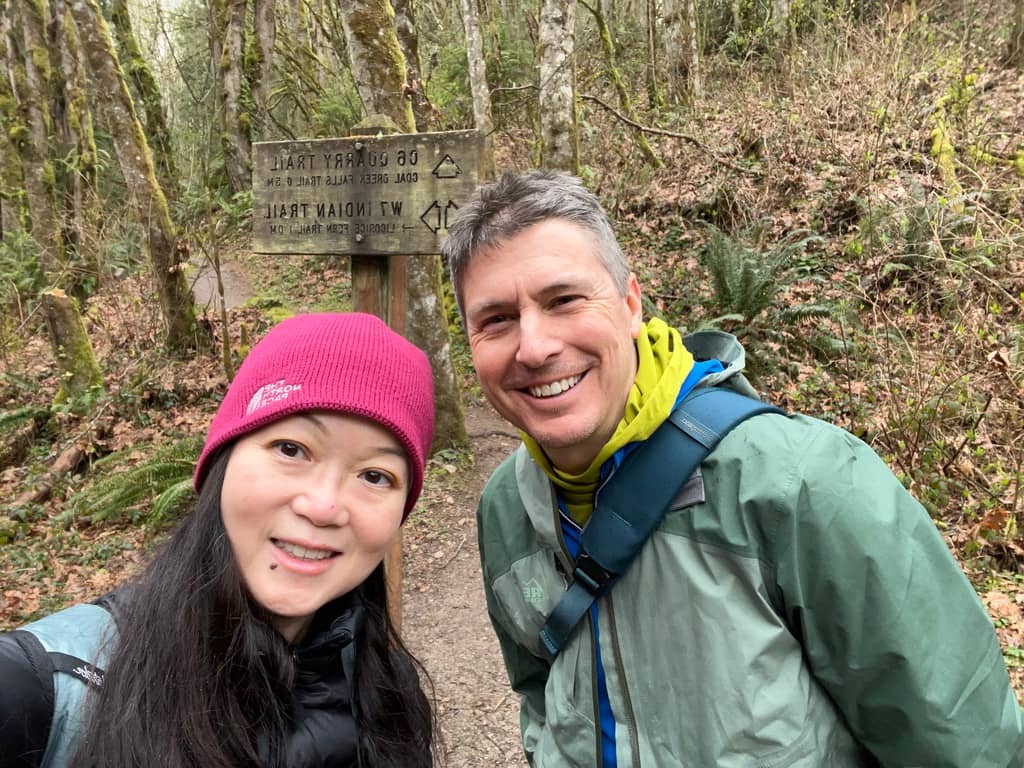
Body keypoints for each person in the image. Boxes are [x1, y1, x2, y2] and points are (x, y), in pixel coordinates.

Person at [442, 169, 1024, 768]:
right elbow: (539, 690)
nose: (533, 347)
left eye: (563, 300)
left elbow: (962, 742)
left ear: (630, 303)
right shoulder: (507, 507)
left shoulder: (800, 482)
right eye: (497, 320)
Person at [0, 312, 437, 768]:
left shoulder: (388, 690)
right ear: (222, 464)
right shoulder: (34, 689)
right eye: (291, 449)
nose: (323, 506)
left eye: (374, 475)